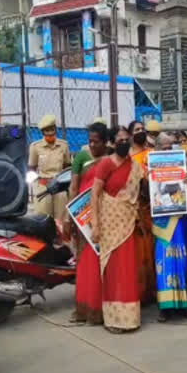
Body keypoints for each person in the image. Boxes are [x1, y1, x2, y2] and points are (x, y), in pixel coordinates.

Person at [90, 126, 144, 333]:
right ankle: (113, 319)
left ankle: (130, 318)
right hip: (109, 223)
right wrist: (95, 224)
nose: (124, 142)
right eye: (119, 140)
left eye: (126, 139)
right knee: (112, 270)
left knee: (127, 269)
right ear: (112, 143)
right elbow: (95, 195)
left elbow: (144, 186)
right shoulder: (106, 164)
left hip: (128, 222)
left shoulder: (135, 166)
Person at [153, 130, 187, 322]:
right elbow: (147, 191)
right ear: (157, 148)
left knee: (182, 260)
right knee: (164, 262)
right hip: (162, 220)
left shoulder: (181, 160)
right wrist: (149, 179)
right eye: (165, 147)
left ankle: (184, 305)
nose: (169, 150)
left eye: (171, 147)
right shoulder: (150, 163)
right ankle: (165, 307)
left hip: (180, 218)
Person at [68, 123, 108, 324]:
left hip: (105, 215)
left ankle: (100, 309)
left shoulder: (110, 158)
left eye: (96, 141)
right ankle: (84, 308)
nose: (92, 145)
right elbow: (74, 187)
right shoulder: (81, 157)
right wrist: (71, 218)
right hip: (83, 216)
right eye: (90, 141)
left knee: (101, 262)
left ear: (105, 142)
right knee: (85, 262)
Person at [128, 120, 156, 305]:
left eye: (142, 129)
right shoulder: (127, 157)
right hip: (133, 208)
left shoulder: (152, 154)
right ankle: (139, 293)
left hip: (150, 206)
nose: (141, 132)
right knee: (138, 253)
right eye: (137, 130)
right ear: (130, 135)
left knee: (151, 249)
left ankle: (152, 292)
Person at [29, 114, 71, 221]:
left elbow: (67, 168)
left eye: (52, 130)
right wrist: (37, 186)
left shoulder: (63, 145)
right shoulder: (35, 147)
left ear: (55, 130)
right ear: (42, 132)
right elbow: (31, 169)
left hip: (59, 186)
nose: (49, 133)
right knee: (42, 219)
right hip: (43, 186)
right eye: (46, 131)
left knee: (62, 219)